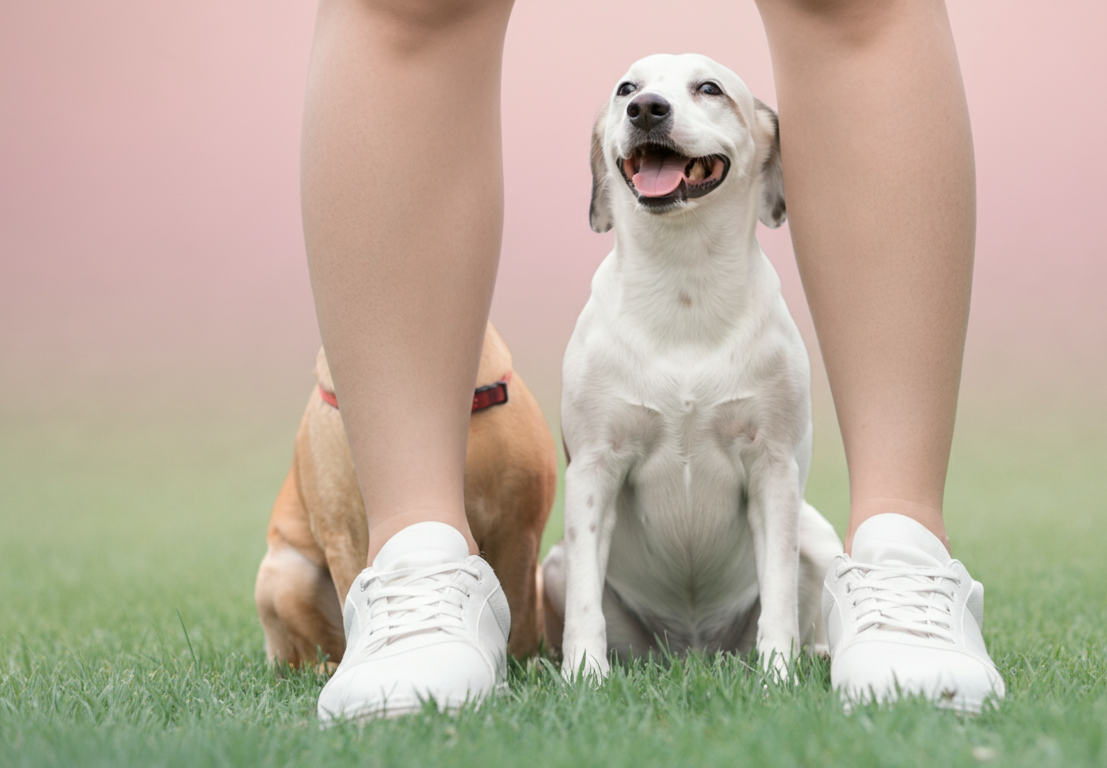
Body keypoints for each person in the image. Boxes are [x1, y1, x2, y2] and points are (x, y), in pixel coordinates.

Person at [304, 0, 1003, 719]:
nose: (649, 106)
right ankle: (418, 556)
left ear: (766, 157)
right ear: (604, 160)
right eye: (630, 99)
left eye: (705, 92)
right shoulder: (599, 334)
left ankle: (900, 549)